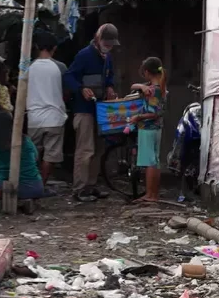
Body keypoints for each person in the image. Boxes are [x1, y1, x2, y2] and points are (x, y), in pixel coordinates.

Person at [64, 23, 119, 202]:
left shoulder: (107, 57)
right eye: (106, 43)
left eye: (111, 45)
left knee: (98, 149)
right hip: (84, 110)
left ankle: (91, 185)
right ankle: (79, 189)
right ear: (98, 39)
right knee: (85, 149)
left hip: (101, 109)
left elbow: (109, 77)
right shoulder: (84, 55)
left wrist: (110, 87)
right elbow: (69, 76)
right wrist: (81, 89)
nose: (108, 47)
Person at [27, 32, 67, 185]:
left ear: (36, 47)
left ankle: (31, 183)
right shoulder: (60, 67)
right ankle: (41, 185)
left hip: (34, 118)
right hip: (55, 117)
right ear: (54, 48)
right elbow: (66, 89)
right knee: (50, 156)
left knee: (33, 155)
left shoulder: (28, 67)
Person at [129, 57, 166, 203]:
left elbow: (154, 113)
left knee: (150, 162)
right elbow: (134, 86)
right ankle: (153, 195)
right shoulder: (159, 86)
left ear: (146, 72)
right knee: (155, 161)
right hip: (157, 128)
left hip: (148, 127)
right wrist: (142, 86)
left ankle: (150, 196)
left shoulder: (153, 90)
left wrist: (138, 117)